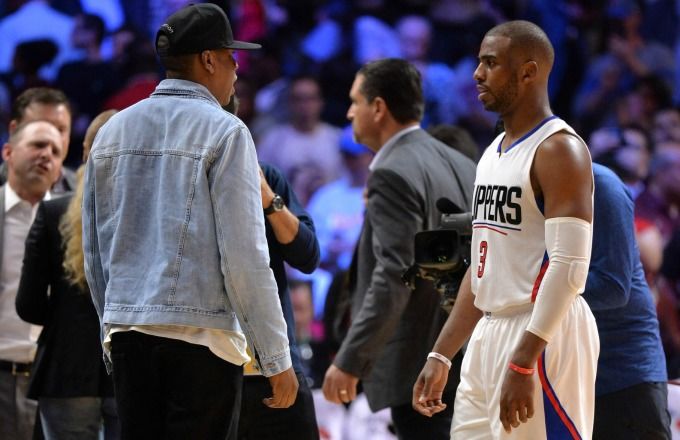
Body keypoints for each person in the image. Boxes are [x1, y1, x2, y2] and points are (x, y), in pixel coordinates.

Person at [81, 4, 298, 439]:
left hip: (128, 335)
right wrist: (276, 357)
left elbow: (94, 251)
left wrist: (113, 329)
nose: (238, 67)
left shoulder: (112, 130)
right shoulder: (225, 131)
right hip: (202, 340)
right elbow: (245, 258)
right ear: (208, 59)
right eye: (231, 55)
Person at [412, 20, 599, 439]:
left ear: (528, 72)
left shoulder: (560, 150)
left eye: (490, 63)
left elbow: (569, 267)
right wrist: (442, 354)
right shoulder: (493, 154)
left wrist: (523, 359)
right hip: (490, 331)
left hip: (543, 332)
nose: (477, 74)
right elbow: (481, 273)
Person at [321, 58, 477, 440]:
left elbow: (394, 274)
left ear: (379, 108)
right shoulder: (461, 162)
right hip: (465, 350)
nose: (349, 112)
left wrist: (351, 359)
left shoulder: (392, 170)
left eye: (356, 101)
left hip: (418, 363)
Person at [15, 110, 119, 440]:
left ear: (86, 151)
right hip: (131, 372)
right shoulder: (148, 216)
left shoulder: (52, 213)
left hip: (65, 370)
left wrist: (64, 317)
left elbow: (28, 306)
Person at [224, 96, 321, 440]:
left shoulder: (267, 178)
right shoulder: (182, 187)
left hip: (273, 362)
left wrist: (267, 196)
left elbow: (307, 256)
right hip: (210, 367)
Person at [584, 163, 670, 439]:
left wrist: (529, 286)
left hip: (625, 374)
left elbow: (613, 288)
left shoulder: (602, 186)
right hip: (572, 373)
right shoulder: (523, 189)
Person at [0, 120, 63, 440]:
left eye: (55, 151)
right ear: (8, 152)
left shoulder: (74, 223)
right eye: (37, 145)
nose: (46, 155)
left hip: (52, 384)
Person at [1, 87, 76, 193]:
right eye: (41, 127)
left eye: (60, 129)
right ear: (14, 131)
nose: (52, 136)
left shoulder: (85, 192)